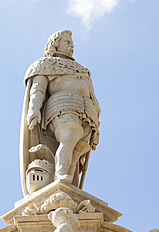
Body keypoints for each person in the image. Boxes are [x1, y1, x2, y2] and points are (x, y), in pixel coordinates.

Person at [20, 30, 101, 195]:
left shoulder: (83, 70)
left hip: (87, 113)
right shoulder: (45, 64)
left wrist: (97, 123)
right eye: (67, 42)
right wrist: (34, 109)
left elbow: (93, 97)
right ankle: (61, 176)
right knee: (69, 136)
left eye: (72, 44)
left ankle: (68, 185)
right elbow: (38, 88)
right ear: (55, 44)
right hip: (62, 106)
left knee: (78, 148)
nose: (71, 47)